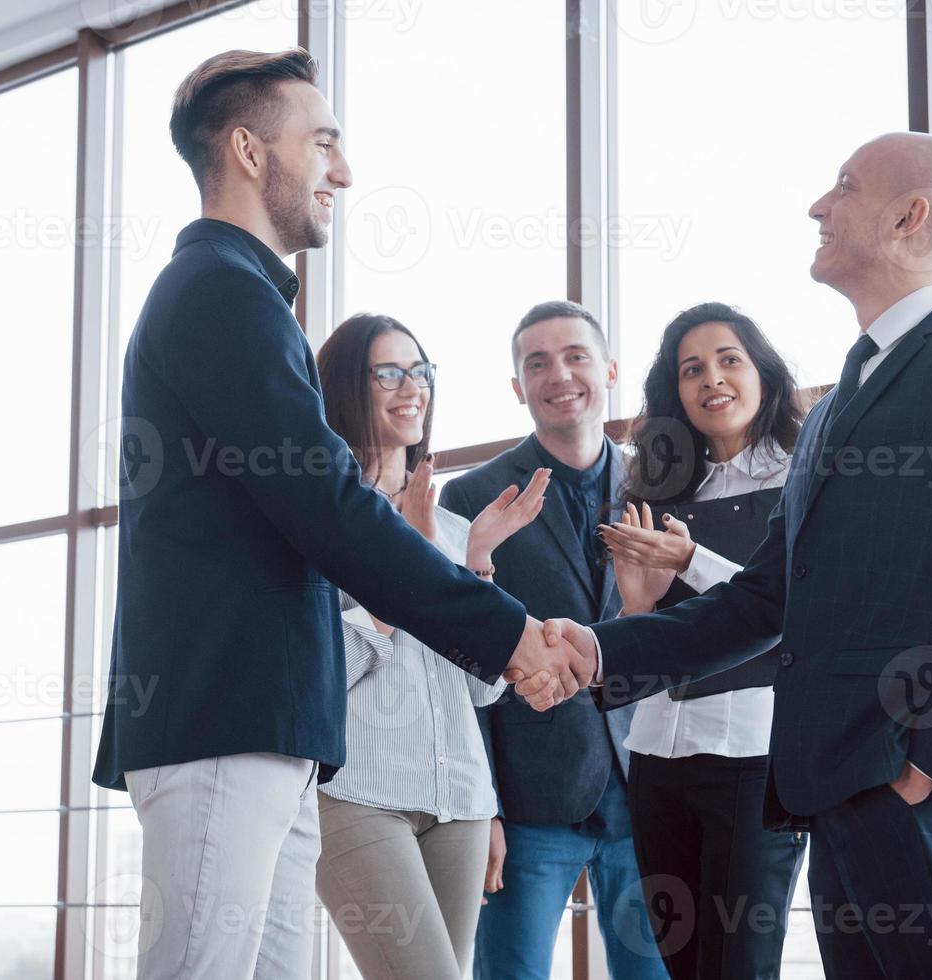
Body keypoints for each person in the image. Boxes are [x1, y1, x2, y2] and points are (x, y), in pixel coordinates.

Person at [534, 132, 932, 978]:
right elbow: (761, 603)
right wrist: (601, 646)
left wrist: (930, 766)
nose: (817, 206)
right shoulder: (835, 408)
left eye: (843, 186)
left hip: (917, 791)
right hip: (830, 794)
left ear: (908, 216)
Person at [90, 49, 589, 980]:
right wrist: (508, 633)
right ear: (246, 149)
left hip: (268, 729)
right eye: (322, 143)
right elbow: (328, 507)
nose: (344, 172)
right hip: (221, 720)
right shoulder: (218, 293)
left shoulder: (237, 296)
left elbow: (311, 522)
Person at [312, 312, 550, 980]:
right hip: (356, 793)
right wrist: (411, 571)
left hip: (461, 804)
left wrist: (473, 565)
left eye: (419, 371)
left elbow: (480, 688)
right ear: (344, 387)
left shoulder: (449, 526)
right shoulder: (317, 520)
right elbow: (319, 670)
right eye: (388, 371)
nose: (409, 386)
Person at [441, 301, 668, 980]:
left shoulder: (660, 486)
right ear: (517, 386)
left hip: (647, 791)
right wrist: (480, 807)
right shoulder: (472, 498)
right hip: (528, 800)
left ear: (608, 370)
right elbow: (455, 668)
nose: (557, 374)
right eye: (535, 362)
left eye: (574, 356)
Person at [600, 302, 807, 979]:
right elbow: (644, 644)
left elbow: (793, 614)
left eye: (728, 360)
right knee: (680, 964)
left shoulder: (803, 477)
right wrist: (635, 607)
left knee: (740, 965)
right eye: (691, 369)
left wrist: (689, 560)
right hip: (657, 754)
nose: (710, 379)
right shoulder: (655, 489)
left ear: (762, 374)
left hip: (754, 756)